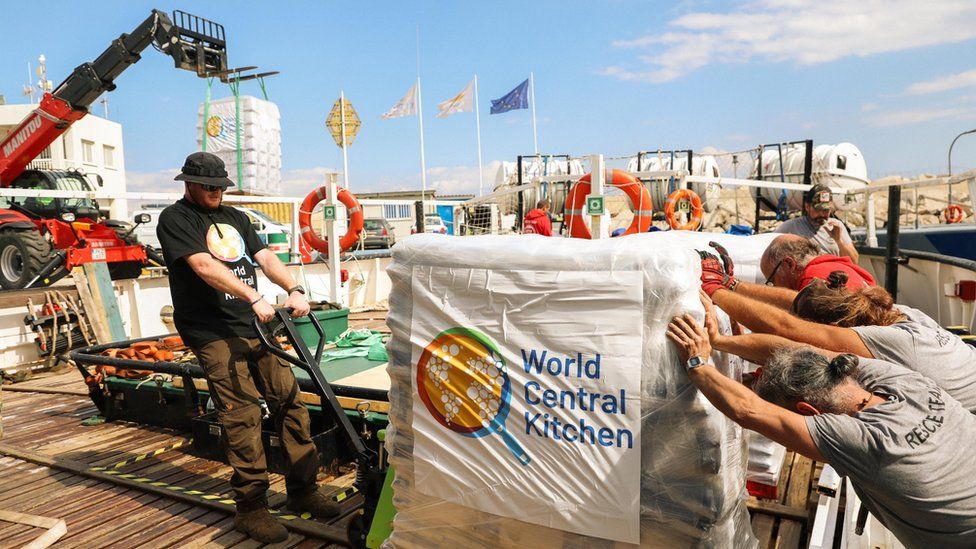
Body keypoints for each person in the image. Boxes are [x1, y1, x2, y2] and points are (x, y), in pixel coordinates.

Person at [666, 311, 976, 547]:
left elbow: (747, 411)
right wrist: (721, 343)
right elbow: (794, 346)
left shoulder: (859, 439)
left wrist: (696, 361)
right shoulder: (901, 381)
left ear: (808, 412)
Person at [156, 152, 339, 543]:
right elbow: (204, 266)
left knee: (290, 400)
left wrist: (293, 288)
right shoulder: (176, 219)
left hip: (254, 324)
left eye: (222, 186)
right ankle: (252, 508)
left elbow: (265, 256)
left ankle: (303, 489)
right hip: (212, 330)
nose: (217, 192)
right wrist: (253, 295)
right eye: (210, 187)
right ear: (188, 184)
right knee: (242, 415)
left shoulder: (236, 217)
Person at [703, 261, 976, 413]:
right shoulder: (897, 313)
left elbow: (788, 331)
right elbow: (798, 303)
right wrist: (731, 285)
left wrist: (712, 291)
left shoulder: (887, 341)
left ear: (835, 325)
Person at [699, 237, 874, 310]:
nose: (774, 287)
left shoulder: (815, 277)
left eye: (772, 280)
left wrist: (731, 285)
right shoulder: (841, 267)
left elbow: (794, 319)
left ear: (789, 264)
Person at [775, 184, 858, 261]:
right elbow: (769, 248)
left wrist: (839, 241)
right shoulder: (792, 226)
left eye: (826, 210)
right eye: (817, 210)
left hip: (834, 275)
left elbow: (854, 261)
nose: (822, 214)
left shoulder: (837, 226)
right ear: (807, 207)